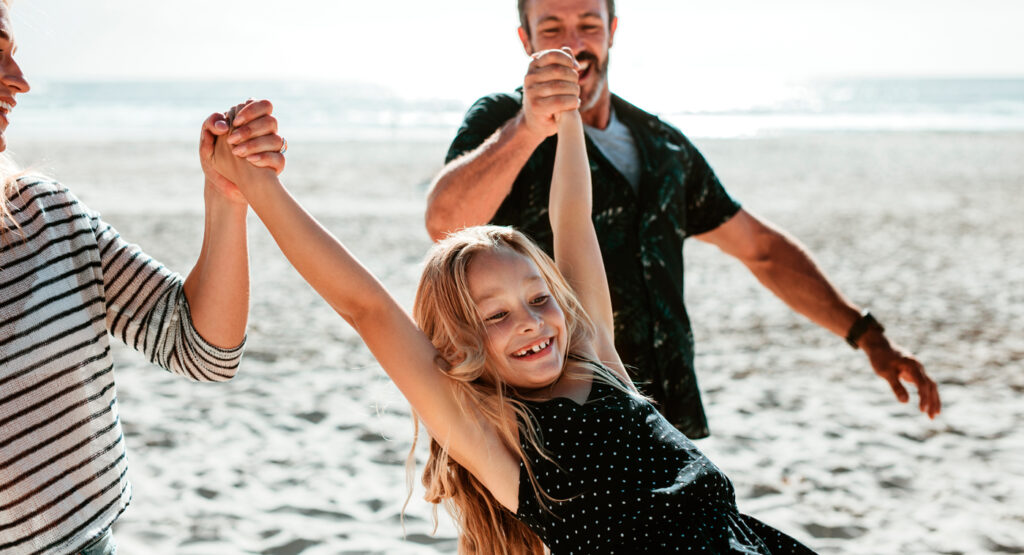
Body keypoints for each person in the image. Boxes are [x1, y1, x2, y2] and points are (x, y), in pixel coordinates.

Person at [209, 48, 815, 554]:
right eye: (495, 315)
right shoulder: (499, 440)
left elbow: (572, 217)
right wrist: (260, 186)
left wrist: (567, 112)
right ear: (462, 346)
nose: (530, 323)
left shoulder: (597, 365)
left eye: (539, 299)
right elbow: (364, 306)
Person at [424, 0, 941, 439]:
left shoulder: (662, 145)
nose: (574, 43)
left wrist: (866, 335)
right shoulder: (501, 121)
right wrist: (528, 126)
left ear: (613, 30)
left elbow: (759, 249)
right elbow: (444, 222)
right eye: (552, 29)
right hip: (554, 420)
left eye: (588, 23)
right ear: (526, 39)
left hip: (664, 421)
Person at [0, 3, 286, 552]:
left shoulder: (46, 214)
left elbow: (202, 349)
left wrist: (227, 197)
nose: (21, 82)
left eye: (16, 57)